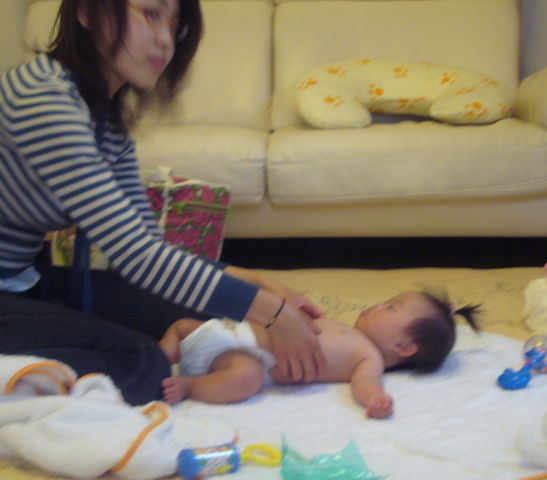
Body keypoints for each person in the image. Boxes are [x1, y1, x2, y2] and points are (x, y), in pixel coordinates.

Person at [0, 0, 325, 406]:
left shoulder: (104, 121)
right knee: (141, 364)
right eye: (151, 14)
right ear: (86, 11)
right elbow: (137, 256)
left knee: (204, 316)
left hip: (21, 282)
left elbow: (149, 246)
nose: (165, 41)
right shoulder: (41, 96)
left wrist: (252, 282)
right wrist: (273, 312)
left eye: (175, 27)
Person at [159, 291, 480, 419]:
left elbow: (365, 384)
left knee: (247, 378)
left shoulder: (368, 358)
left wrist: (375, 399)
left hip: (236, 362)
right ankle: (160, 354)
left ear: (404, 347)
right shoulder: (343, 327)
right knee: (183, 326)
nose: (378, 304)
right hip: (224, 332)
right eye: (386, 300)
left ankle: (190, 386)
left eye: (391, 307)